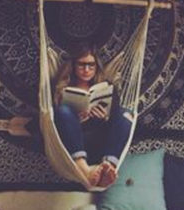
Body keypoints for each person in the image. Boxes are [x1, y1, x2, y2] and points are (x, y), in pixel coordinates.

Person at [53, 42, 132, 188]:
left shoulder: (107, 88)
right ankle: (83, 168)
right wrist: (75, 120)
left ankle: (108, 167)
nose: (86, 69)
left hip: (101, 143)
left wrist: (105, 118)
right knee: (63, 111)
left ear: (97, 66)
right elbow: (51, 123)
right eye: (81, 65)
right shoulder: (62, 89)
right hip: (73, 144)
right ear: (73, 66)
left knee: (126, 114)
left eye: (91, 65)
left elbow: (116, 121)